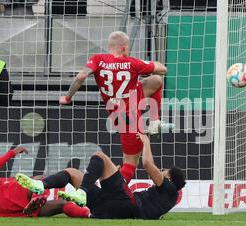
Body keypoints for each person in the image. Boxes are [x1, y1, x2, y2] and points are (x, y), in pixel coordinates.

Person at [59, 31, 173, 185]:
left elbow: (81, 77)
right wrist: (141, 63)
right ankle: (112, 193)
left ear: (109, 46)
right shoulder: (133, 63)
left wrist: (67, 97)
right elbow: (163, 69)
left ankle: (154, 122)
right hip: (130, 117)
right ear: (125, 48)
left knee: (155, 81)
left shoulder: (98, 59)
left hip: (117, 108)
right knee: (131, 163)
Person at [17, 133, 186, 220]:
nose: (161, 171)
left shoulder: (169, 189)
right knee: (74, 174)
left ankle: (81, 192)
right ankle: (42, 185)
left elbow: (148, 164)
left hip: (128, 205)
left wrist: (146, 142)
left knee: (99, 156)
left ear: (170, 179)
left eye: (164, 171)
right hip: (108, 209)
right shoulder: (163, 197)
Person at [0, 146, 91, 218]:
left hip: (3, 210)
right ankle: (36, 198)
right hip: (3, 196)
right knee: (38, 181)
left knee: (62, 203)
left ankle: (89, 215)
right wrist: (12, 152)